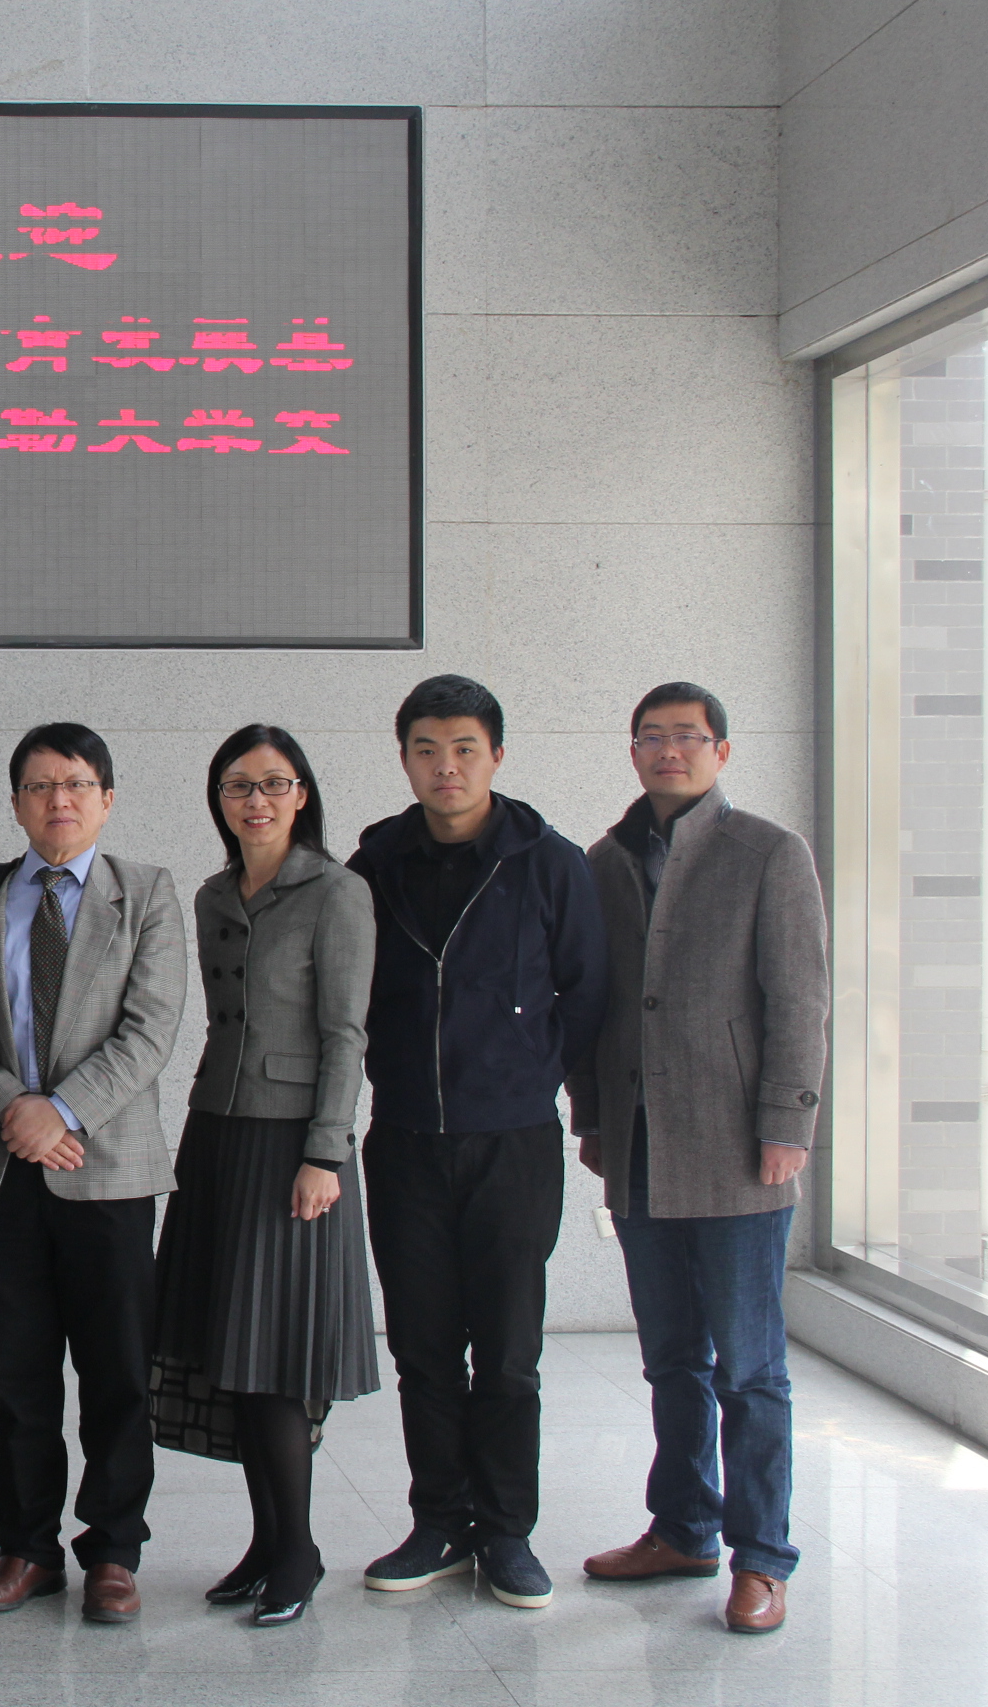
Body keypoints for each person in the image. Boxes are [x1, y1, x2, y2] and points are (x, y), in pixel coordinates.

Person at [567, 684, 827, 1635]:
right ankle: (683, 1529)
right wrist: (593, 1117)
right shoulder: (603, 861)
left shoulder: (768, 852)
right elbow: (589, 1004)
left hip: (736, 1150)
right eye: (652, 736)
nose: (668, 750)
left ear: (721, 749)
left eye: (687, 736)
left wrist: (787, 1121)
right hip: (638, 1150)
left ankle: (763, 1559)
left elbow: (799, 998)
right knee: (671, 1359)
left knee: (750, 1370)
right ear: (632, 750)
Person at [347, 674, 605, 1611]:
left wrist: (533, 1079)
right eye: (426, 749)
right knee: (421, 1349)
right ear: (404, 758)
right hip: (406, 1137)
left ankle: (506, 1531)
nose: (445, 767)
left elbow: (588, 991)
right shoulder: (377, 861)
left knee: (505, 1353)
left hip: (513, 1142)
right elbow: (349, 989)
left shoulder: (549, 862)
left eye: (463, 749)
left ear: (496, 755)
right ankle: (440, 1522)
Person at [0, 723, 185, 1626]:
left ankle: (114, 1551)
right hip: (1, 1170)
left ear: (107, 799)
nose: (60, 800)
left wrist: (63, 1110)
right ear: (16, 802)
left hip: (108, 1171)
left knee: (119, 1374)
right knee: (17, 1377)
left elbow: (150, 1030)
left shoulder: (148, 893)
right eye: (41, 786)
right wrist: (11, 1107)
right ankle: (26, 1548)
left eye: (78, 784)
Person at [150, 725, 381, 1628]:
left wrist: (327, 1152)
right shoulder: (213, 894)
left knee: (276, 1359)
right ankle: (265, 1541)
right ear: (219, 799)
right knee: (234, 1356)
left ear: (302, 794)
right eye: (238, 786)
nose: (256, 801)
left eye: (274, 784)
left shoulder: (338, 892)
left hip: (293, 1149)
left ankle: (299, 1552)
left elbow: (346, 1036)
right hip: (217, 1134)